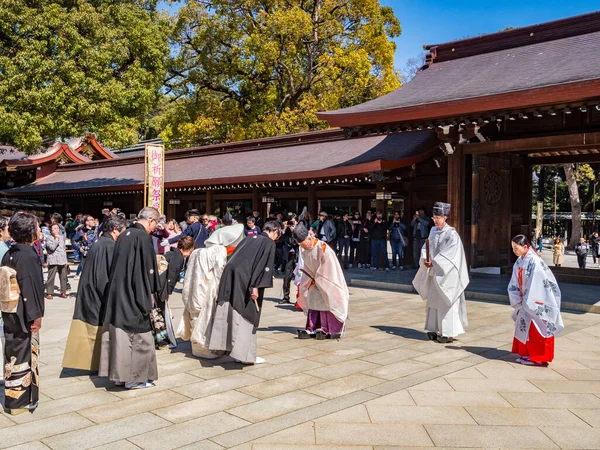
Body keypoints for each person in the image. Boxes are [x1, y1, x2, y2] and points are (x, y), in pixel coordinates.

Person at [99, 207, 161, 389]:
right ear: (150, 220)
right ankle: (134, 378)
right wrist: (151, 293)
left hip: (118, 291)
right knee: (138, 337)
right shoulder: (142, 237)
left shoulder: (124, 235)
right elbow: (147, 270)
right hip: (134, 292)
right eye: (155, 224)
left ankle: (120, 375)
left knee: (120, 336)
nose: (154, 229)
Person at [209, 220, 280, 364]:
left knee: (230, 310)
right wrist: (255, 286)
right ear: (274, 231)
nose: (276, 239)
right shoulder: (268, 243)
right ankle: (246, 356)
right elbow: (262, 266)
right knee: (248, 313)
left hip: (230, 275)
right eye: (277, 235)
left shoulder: (248, 238)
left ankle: (229, 349)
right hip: (246, 279)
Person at [62, 215, 126, 371]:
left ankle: (93, 362)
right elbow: (106, 274)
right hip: (97, 291)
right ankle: (99, 363)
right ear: (115, 230)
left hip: (88, 289)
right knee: (96, 328)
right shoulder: (109, 245)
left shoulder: (100, 241)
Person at [177, 224, 245, 358]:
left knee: (194, 318)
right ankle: (207, 349)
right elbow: (220, 271)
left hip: (192, 290)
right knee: (207, 320)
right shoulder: (219, 251)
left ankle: (196, 348)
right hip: (208, 290)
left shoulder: (198, 251)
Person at [1, 213, 45, 414]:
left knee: (12, 349)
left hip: (10, 308)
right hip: (23, 311)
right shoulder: (27, 254)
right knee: (24, 351)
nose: (39, 230)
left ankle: (12, 397)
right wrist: (36, 315)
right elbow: (31, 287)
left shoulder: (9, 253)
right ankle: (21, 399)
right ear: (29, 231)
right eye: (37, 226)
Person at [412, 202, 469, 344]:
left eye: (438, 217)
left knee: (445, 301)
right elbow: (427, 248)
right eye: (434, 218)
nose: (435, 220)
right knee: (433, 300)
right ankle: (434, 328)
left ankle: (447, 332)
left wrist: (435, 262)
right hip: (434, 272)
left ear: (445, 218)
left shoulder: (452, 234)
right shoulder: (433, 231)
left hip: (447, 274)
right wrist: (426, 259)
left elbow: (451, 255)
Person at [508, 234, 564, 365]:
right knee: (527, 329)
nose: (514, 251)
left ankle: (538, 357)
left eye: (516, 248)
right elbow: (514, 281)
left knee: (537, 330)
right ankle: (528, 354)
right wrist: (517, 296)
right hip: (525, 299)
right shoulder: (520, 261)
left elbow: (538, 282)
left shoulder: (535, 261)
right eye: (513, 248)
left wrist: (528, 299)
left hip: (536, 300)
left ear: (525, 246)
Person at [294, 223, 349, 339]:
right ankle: (312, 327)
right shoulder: (305, 251)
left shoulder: (322, 248)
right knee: (313, 301)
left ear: (309, 238)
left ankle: (331, 328)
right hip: (314, 281)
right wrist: (307, 280)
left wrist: (318, 278)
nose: (303, 248)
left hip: (327, 280)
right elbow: (307, 267)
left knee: (327, 301)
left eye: (304, 244)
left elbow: (329, 267)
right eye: (301, 246)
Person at [158, 236, 195, 348]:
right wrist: (169, 292)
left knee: (161, 313)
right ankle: (163, 339)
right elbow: (172, 276)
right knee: (162, 314)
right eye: (190, 251)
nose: (189, 254)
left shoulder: (170, 254)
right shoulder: (178, 258)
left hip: (159, 284)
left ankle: (161, 338)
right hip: (163, 287)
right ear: (185, 248)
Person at [45, 223, 68, 299]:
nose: (56, 230)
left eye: (57, 228)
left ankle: (63, 291)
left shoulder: (61, 237)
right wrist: (56, 239)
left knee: (63, 276)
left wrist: (66, 261)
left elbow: (63, 249)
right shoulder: (49, 238)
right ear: (51, 230)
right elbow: (52, 247)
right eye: (54, 228)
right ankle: (49, 292)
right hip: (53, 259)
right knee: (51, 276)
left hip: (61, 259)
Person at [280, 219, 299, 304]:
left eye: (293, 224)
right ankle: (286, 297)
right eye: (290, 224)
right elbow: (280, 240)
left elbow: (298, 242)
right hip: (289, 257)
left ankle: (299, 299)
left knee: (299, 278)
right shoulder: (286, 233)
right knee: (286, 277)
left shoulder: (299, 232)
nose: (291, 226)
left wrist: (295, 230)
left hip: (297, 257)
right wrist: (284, 229)